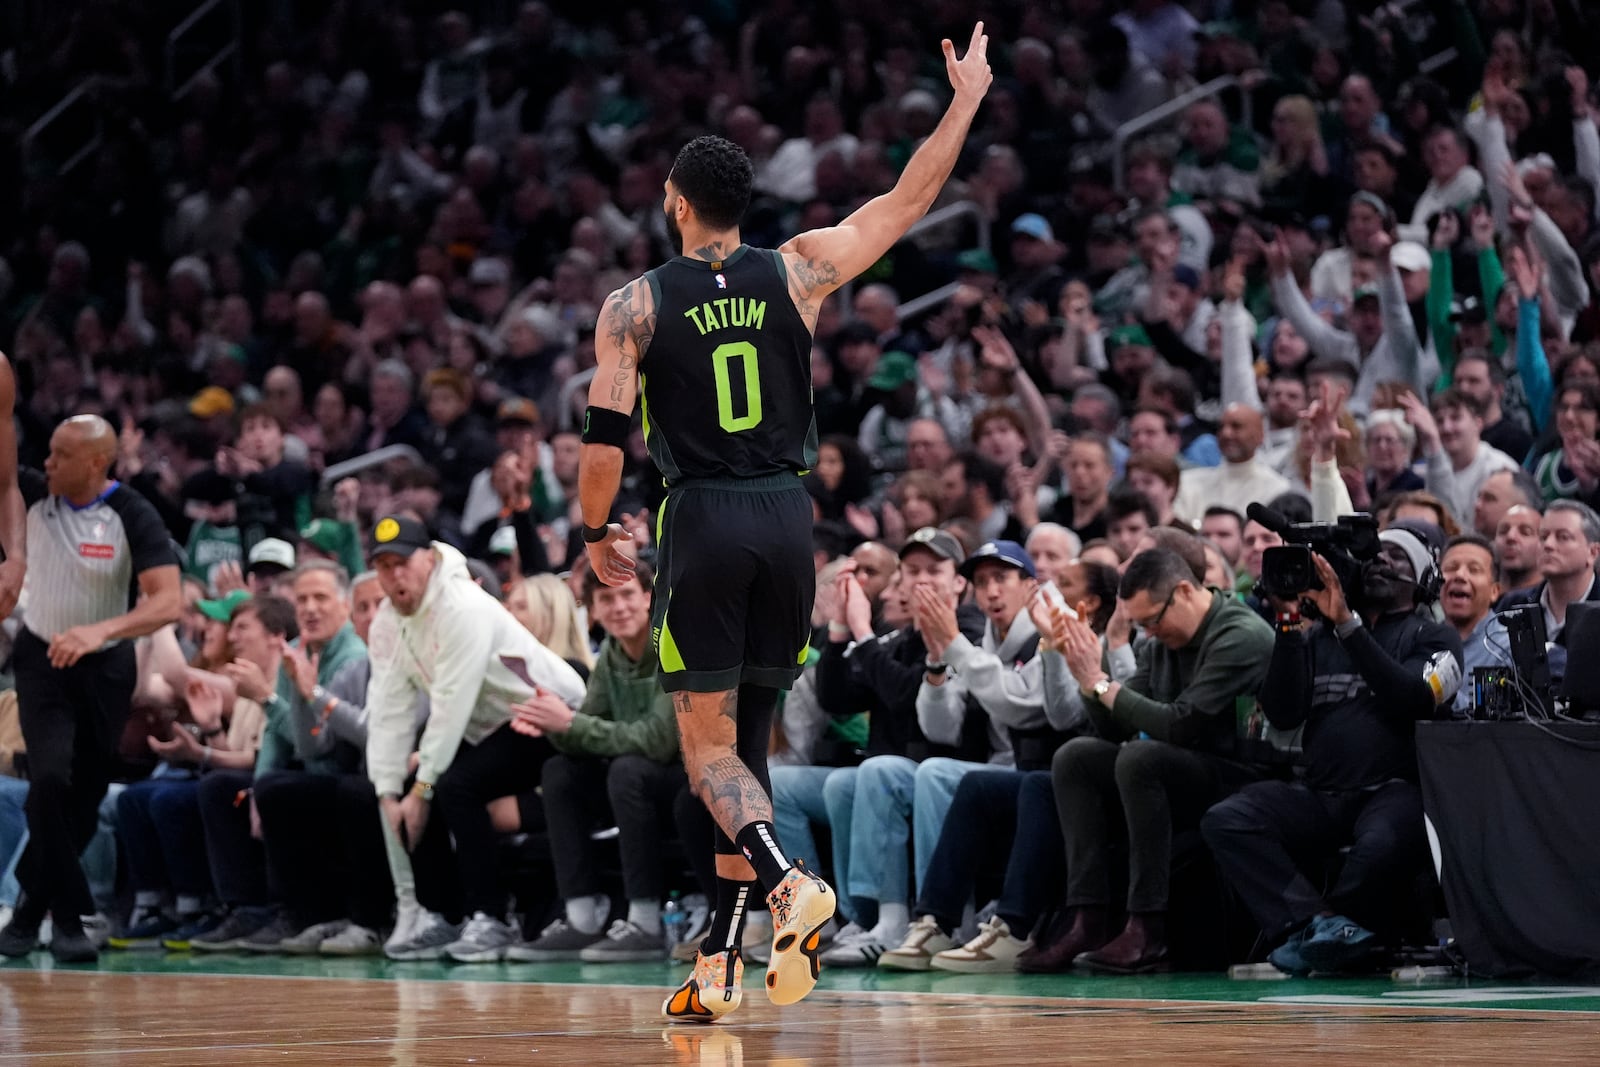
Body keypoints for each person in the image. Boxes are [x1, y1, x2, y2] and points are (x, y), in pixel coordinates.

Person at [576, 25, 994, 1021]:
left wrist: (597, 537)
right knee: (747, 749)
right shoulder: (800, 268)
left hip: (703, 519)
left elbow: (602, 440)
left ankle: (787, 884)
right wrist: (965, 100)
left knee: (703, 753)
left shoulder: (632, 305)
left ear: (675, 201)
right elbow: (907, 200)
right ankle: (719, 962)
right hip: (787, 518)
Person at [1202, 522, 1462, 974]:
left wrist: (1348, 625)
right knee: (1228, 819)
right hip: (1321, 793)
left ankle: (1332, 933)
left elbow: (1413, 698)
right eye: (1376, 556)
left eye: (1397, 557)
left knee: (1380, 845)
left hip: (1393, 791)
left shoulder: (1433, 637)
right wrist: (1288, 624)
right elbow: (1282, 714)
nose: (1381, 561)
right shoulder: (1319, 638)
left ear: (1423, 579)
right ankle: (1319, 923)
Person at [1039, 548, 1275, 973]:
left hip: (1245, 774)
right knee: (1076, 756)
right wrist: (1087, 677)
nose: (1148, 631)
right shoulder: (1161, 639)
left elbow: (1183, 724)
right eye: (1140, 624)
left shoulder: (1241, 634)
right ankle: (1087, 916)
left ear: (1184, 592)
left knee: (1140, 758)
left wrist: (1100, 682)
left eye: (1152, 620)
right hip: (1180, 764)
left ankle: (1147, 925)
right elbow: (1116, 728)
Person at [0, 415, 181, 962]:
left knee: (85, 795)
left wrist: (100, 630)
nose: (47, 462)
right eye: (47, 451)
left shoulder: (132, 513)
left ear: (96, 463)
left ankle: (30, 913)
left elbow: (167, 601)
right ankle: (73, 912)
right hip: (42, 658)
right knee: (50, 777)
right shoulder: (31, 492)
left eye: (60, 454)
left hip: (106, 665)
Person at [364, 516, 586, 963]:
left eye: (402, 562)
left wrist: (423, 789)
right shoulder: (388, 621)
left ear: (429, 558)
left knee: (450, 785)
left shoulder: (462, 606)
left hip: (550, 715)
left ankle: (491, 918)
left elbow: (449, 705)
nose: (395, 575)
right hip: (488, 725)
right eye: (384, 566)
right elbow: (388, 708)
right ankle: (440, 915)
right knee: (410, 784)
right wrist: (388, 791)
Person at [510, 561, 684, 963]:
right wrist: (552, 724)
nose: (619, 606)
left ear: (648, 598)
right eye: (606, 599)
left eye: (627, 595)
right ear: (592, 609)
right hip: (632, 781)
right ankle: (582, 918)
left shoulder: (672, 645)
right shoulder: (610, 653)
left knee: (628, 769)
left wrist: (571, 724)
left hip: (681, 778)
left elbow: (658, 742)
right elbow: (588, 731)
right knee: (560, 772)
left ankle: (644, 922)